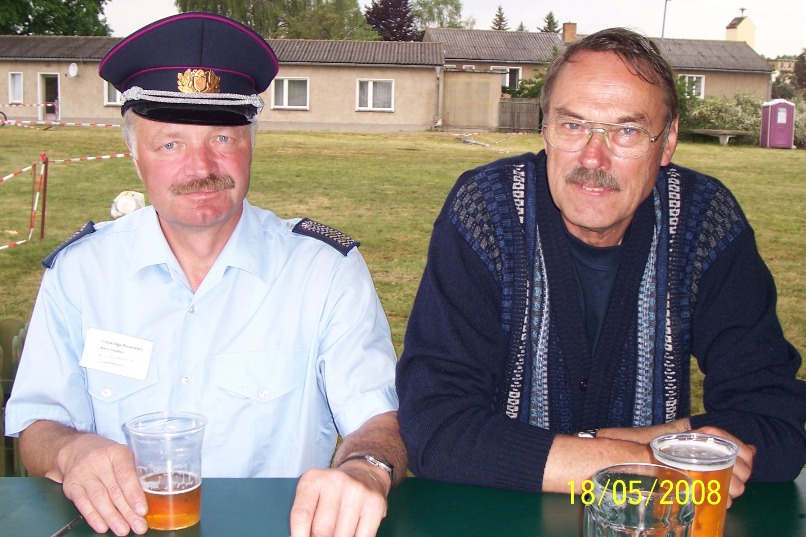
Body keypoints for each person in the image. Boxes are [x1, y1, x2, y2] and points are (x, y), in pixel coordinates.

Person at [4, 13, 406, 537]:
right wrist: (71, 449)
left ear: (251, 145)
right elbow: (38, 422)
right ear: (134, 156)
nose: (201, 168)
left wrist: (365, 470)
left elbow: (380, 417)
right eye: (170, 144)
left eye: (222, 138)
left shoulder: (324, 272)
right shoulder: (82, 273)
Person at [396, 27, 806, 499]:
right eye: (572, 125)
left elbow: (776, 425)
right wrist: (652, 459)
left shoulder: (703, 219)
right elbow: (433, 428)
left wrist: (619, 447)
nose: (593, 158)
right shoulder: (486, 210)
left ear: (668, 140)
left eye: (627, 131)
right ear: (545, 128)